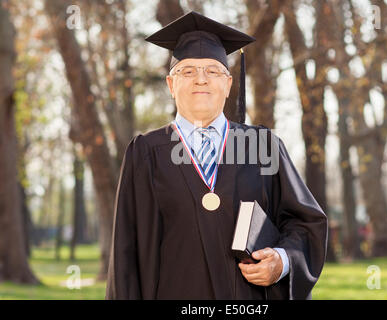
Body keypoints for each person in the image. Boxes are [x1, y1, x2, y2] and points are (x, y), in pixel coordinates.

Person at [106, 11, 327, 300]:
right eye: (188, 71)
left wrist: (282, 260)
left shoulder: (262, 146)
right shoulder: (145, 153)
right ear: (171, 85)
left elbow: (305, 222)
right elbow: (125, 254)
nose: (201, 80)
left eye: (213, 71)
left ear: (228, 84)